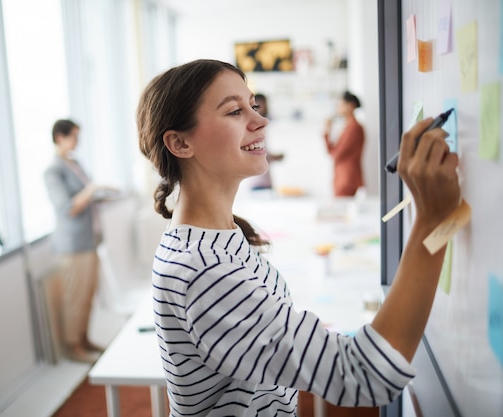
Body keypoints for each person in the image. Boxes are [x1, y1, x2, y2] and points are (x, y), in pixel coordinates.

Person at [136, 59, 460, 416]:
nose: (261, 121)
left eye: (253, 106)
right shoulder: (204, 269)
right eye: (234, 111)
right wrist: (433, 220)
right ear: (180, 143)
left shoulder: (216, 237)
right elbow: (365, 374)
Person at [43, 119, 109, 363]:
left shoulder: (74, 164)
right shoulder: (53, 170)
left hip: (89, 240)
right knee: (75, 297)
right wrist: (93, 190)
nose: (77, 142)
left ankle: (84, 339)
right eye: (74, 136)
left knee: (88, 294)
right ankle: (74, 347)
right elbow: (67, 208)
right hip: (73, 245)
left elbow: (86, 197)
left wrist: (100, 195)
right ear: (60, 137)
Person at [323, 91, 365, 197]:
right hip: (342, 177)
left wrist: (327, 132)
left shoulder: (354, 128)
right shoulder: (348, 127)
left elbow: (336, 154)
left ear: (350, 106)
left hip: (347, 178)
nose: (338, 108)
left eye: (341, 105)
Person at [245, 93, 284, 190]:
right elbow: (254, 154)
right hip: (257, 181)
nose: (262, 108)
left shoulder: (264, 127)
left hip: (266, 180)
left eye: (264, 105)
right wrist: (274, 157)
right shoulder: (251, 128)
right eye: (258, 106)